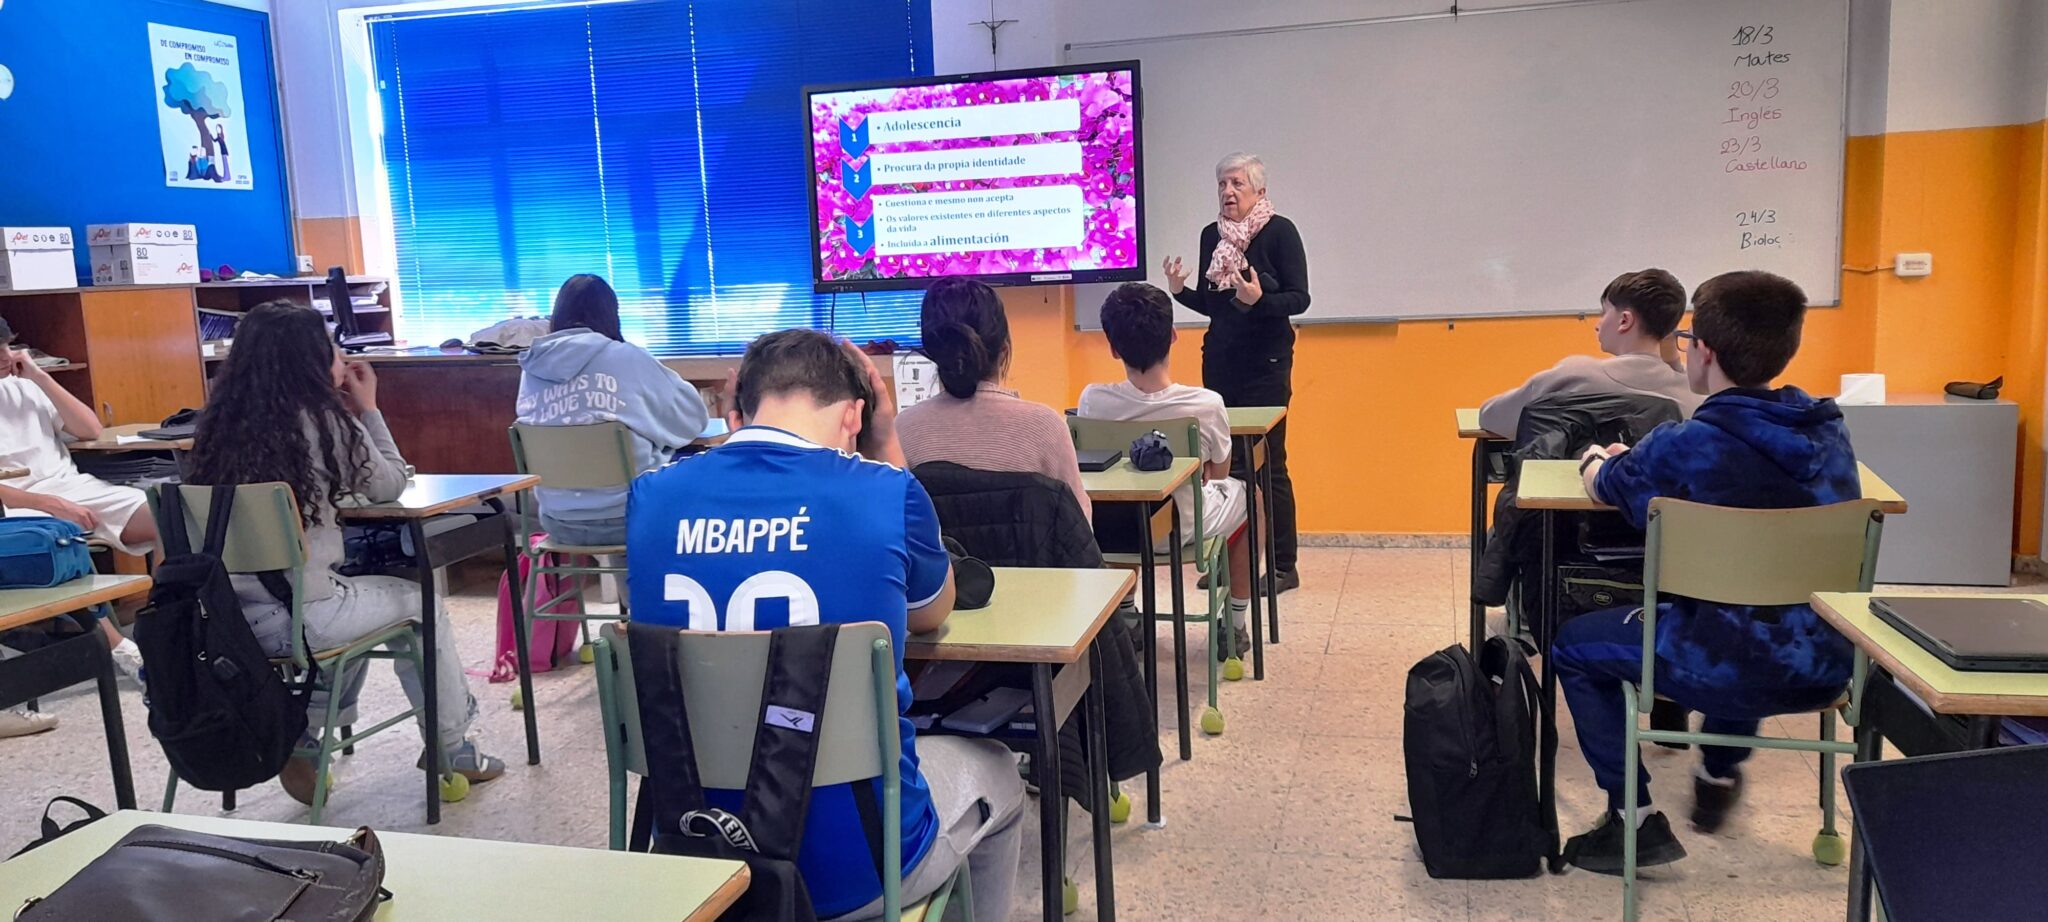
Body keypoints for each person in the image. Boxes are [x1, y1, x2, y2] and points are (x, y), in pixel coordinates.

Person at [627, 329, 1024, 922]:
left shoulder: (650, 498)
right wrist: (888, 443)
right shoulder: (886, 492)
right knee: (999, 772)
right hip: (859, 868)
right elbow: (933, 610)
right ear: (855, 414)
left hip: (693, 855)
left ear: (737, 410)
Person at [1555, 271, 1860, 874]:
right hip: (1827, 665)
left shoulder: (1688, 442)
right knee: (1760, 614)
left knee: (1574, 646)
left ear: (1705, 353)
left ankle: (1633, 822)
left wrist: (1599, 458)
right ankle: (1716, 771)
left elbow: (1611, 485)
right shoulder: (1830, 435)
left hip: (1716, 665)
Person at [185, 302, 505, 804]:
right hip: (304, 616)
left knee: (352, 603)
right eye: (333, 349)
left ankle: (307, 737)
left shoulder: (215, 430)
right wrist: (370, 409)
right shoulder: (324, 420)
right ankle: (452, 746)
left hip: (230, 621)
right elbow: (389, 484)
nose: (342, 357)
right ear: (310, 361)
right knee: (418, 603)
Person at [1079, 282, 1255, 657]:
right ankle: (1235, 625)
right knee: (1249, 496)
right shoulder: (1206, 404)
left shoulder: (1093, 400)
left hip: (1116, 533)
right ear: (1173, 336)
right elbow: (1220, 474)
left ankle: (1127, 620)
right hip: (1182, 529)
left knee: (1130, 500)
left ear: (1113, 348)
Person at [1163, 152, 1307, 593]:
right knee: (1223, 467)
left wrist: (1260, 299)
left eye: (1237, 184)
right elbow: (1214, 305)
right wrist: (1179, 291)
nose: (1228, 192)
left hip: (1266, 365)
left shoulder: (1280, 232)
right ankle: (1227, 564)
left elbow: (1300, 299)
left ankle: (1283, 567)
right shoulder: (1213, 236)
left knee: (1269, 467)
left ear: (1259, 191)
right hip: (1221, 362)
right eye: (1222, 184)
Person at [0, 317, 151, 681]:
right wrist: (48, 505)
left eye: (6, 346)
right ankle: (120, 649)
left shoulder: (24, 386)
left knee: (170, 515)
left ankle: (170, 621)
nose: (5, 356)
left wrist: (41, 377)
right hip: (19, 504)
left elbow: (90, 429)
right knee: (60, 535)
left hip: (72, 487)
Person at [515, 274, 709, 545]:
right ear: (611, 314)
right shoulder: (628, 357)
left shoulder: (531, 370)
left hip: (558, 522)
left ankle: (628, 587)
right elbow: (693, 420)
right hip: (633, 516)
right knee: (699, 465)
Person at [896, 277, 1091, 520]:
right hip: (1037, 559)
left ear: (934, 355)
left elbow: (898, 528)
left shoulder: (902, 431)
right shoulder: (1045, 426)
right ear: (1005, 350)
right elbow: (1080, 529)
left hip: (942, 560)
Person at [1478, 268, 1703, 439]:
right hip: (1645, 501)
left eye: (1604, 313)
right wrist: (1673, 362)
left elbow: (1491, 416)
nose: (1597, 324)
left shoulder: (1574, 375)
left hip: (1564, 498)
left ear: (1624, 320)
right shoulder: (1694, 398)